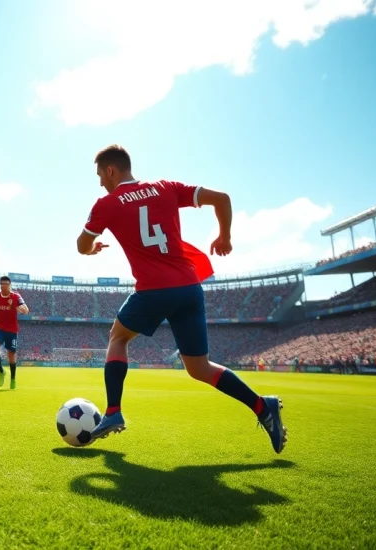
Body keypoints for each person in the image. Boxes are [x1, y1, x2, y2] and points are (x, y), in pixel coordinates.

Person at [76, 145, 287, 454]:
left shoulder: (105, 203)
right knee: (199, 367)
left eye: (100, 176)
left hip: (152, 290)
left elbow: (82, 244)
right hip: (189, 288)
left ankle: (112, 412)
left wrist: (92, 250)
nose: (100, 184)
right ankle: (262, 406)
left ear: (111, 170)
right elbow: (222, 199)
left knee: (118, 337)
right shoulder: (167, 188)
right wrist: (224, 236)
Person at [0, 276, 29, 390]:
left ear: (10, 285)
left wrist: (24, 309)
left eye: (7, 284)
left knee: (11, 356)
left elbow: (25, 308)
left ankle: (13, 379)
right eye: (2, 284)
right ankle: (2, 371)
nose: (4, 286)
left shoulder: (15, 296)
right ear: (0, 285)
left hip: (12, 330)